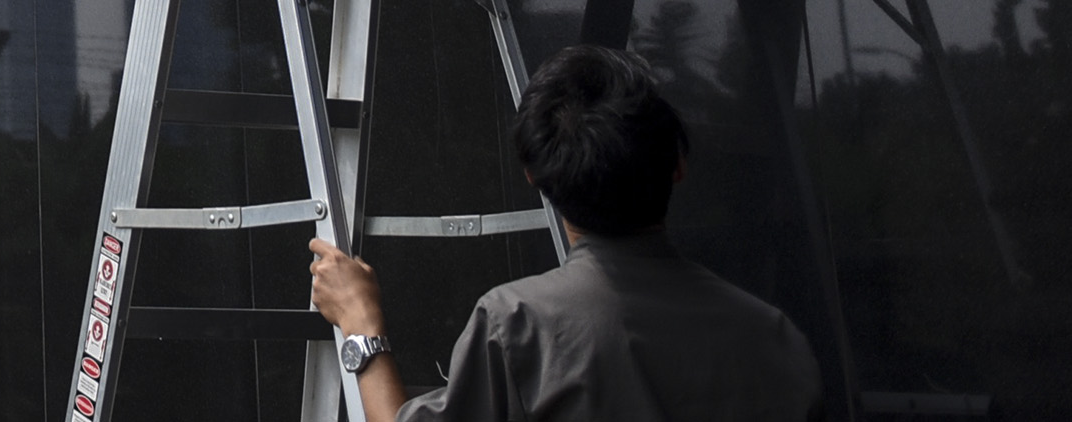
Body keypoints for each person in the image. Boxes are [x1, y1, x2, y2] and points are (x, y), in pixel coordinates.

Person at [307, 45, 822, 421]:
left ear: (535, 178)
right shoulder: (775, 337)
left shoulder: (520, 326)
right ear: (678, 165)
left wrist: (360, 326)